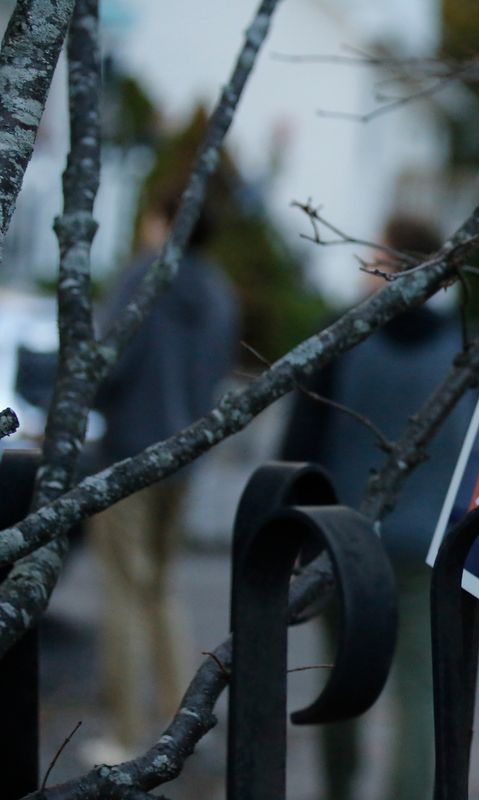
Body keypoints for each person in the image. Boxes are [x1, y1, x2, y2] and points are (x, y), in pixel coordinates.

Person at [279, 215, 470, 800]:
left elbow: (301, 445)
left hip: (345, 541)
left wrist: (294, 540)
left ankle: (338, 791)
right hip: (430, 544)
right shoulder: (463, 343)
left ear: (390, 262)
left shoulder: (343, 335)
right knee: (420, 690)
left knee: (341, 681)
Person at [85, 186, 240, 762]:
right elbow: (217, 373)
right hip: (184, 457)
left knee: (126, 590)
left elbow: (112, 362)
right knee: (160, 587)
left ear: (164, 220)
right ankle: (184, 723)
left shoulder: (145, 277)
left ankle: (126, 735)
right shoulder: (219, 291)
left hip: (129, 453)